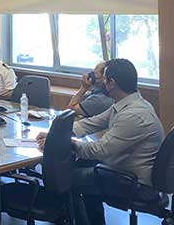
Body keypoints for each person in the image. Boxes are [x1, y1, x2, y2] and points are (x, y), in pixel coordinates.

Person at [37, 59, 165, 225]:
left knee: (66, 180)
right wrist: (56, 134)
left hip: (134, 184)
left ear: (112, 83)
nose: (102, 83)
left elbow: (99, 150)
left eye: (104, 79)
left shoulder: (133, 115)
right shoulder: (130, 104)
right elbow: (91, 123)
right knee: (81, 166)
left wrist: (66, 143)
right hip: (125, 172)